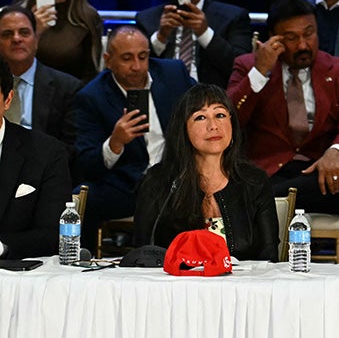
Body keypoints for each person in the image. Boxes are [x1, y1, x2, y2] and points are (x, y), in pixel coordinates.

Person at [226, 0, 339, 214]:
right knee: (244, 179)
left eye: (309, 34)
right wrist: (260, 73)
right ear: (274, 39)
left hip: (319, 173)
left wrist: (335, 151)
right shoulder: (248, 66)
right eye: (291, 38)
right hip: (269, 172)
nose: (303, 45)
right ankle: (269, 201)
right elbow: (229, 120)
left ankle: (263, 203)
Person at [70, 26, 195, 236]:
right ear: (108, 60)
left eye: (143, 57)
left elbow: (204, 106)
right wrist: (114, 143)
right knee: (82, 197)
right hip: (129, 187)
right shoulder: (92, 97)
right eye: (127, 58)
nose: (137, 66)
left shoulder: (174, 74)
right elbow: (87, 163)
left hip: (179, 179)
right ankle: (83, 255)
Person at [133, 84, 279, 261]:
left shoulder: (255, 181)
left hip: (244, 278)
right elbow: (142, 253)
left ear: (232, 123)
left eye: (220, 115)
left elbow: (269, 255)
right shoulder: (158, 181)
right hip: (176, 279)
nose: (213, 126)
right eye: (200, 117)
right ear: (183, 129)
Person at [135, 0, 252, 88]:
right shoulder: (146, 19)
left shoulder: (233, 17)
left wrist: (205, 33)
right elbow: (135, 69)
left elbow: (241, 69)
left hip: (212, 97)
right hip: (164, 98)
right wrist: (161, 37)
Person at [0, 58, 73, 260]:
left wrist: (2, 247)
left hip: (16, 270)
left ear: (8, 100)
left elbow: (53, 234)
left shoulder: (46, 153)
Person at [0, 5, 83, 152]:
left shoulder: (67, 88)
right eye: (7, 34)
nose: (16, 39)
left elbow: (70, 149)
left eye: (24, 32)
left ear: (36, 40)